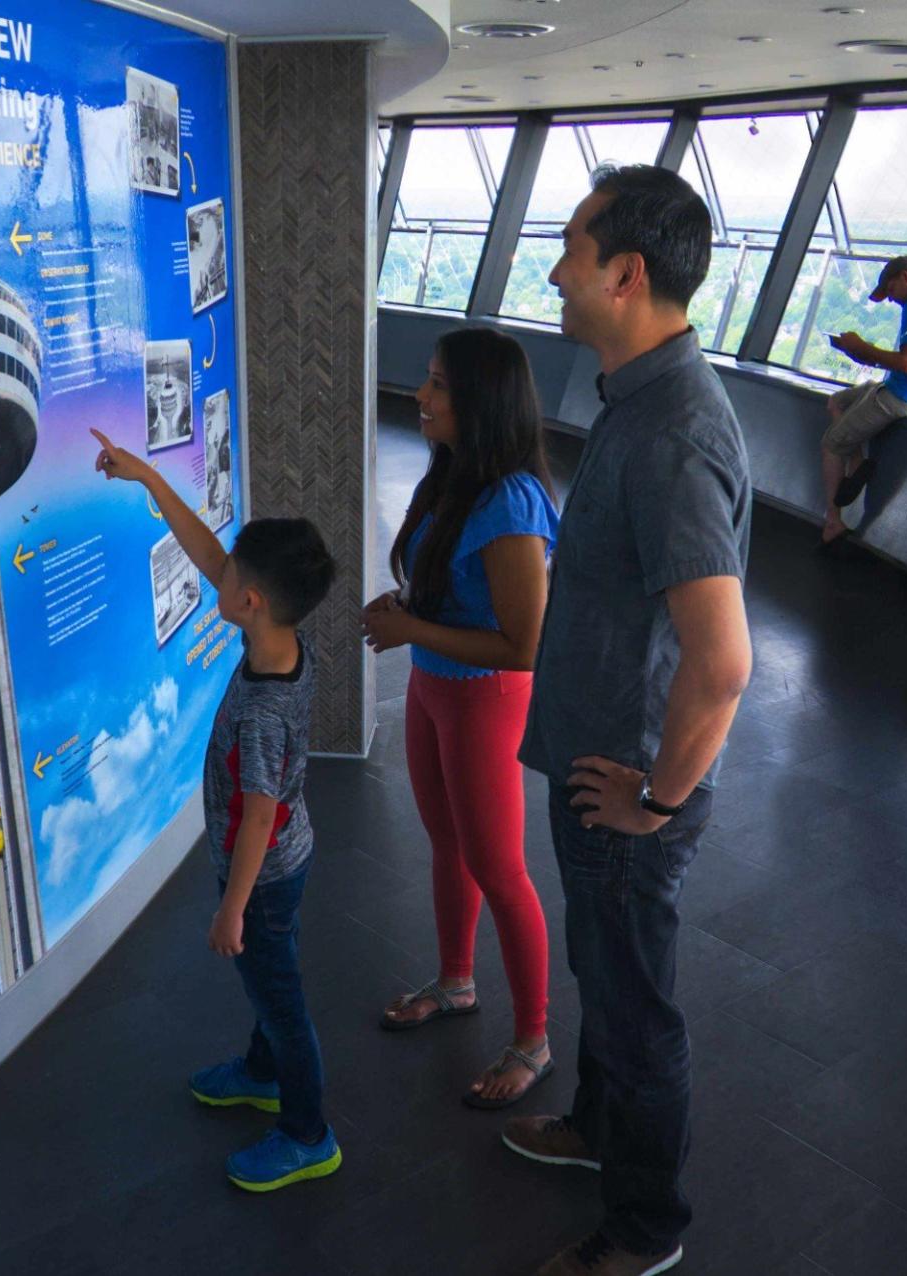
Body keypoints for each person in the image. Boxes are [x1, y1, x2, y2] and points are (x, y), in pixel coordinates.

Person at [502, 164, 754, 1276]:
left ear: (626, 274)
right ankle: (597, 1128)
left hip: (625, 789)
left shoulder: (671, 436)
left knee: (635, 1008)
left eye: (571, 251)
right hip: (599, 767)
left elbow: (724, 661)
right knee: (604, 981)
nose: (556, 272)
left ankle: (647, 1229)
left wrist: (658, 799)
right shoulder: (639, 401)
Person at [92, 429, 344, 1192]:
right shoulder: (284, 641)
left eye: (230, 574)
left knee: (280, 996)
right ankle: (262, 1073)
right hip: (289, 857)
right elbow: (208, 553)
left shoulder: (265, 712)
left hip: (261, 874)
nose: (216, 573)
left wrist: (232, 907)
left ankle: (307, 1134)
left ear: (250, 602)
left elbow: (258, 815)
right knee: (272, 977)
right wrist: (149, 480)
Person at [360, 327, 561, 1111]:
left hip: (485, 699)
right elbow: (451, 587)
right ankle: (456, 982)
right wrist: (411, 609)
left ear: (481, 403)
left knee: (499, 870)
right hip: (432, 686)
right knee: (448, 845)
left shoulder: (511, 500)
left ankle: (534, 1040)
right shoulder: (451, 477)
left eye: (440, 385)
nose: (422, 394)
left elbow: (524, 645)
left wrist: (413, 627)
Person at [815, 255, 907, 547]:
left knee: (832, 444)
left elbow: (905, 363)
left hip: (904, 395)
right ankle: (857, 462)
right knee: (837, 402)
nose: (892, 299)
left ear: (906, 277)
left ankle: (833, 523)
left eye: (891, 290)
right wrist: (861, 353)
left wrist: (862, 346)